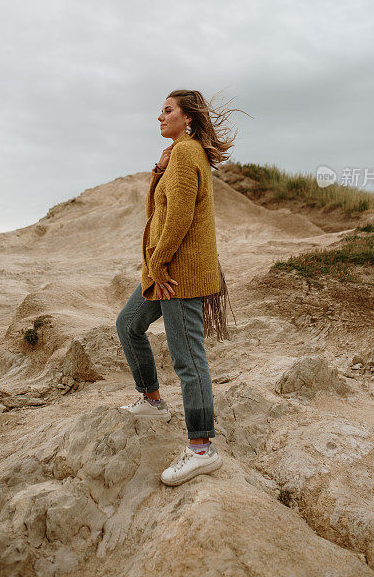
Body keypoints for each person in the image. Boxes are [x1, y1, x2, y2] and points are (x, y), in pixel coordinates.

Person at [115, 88, 247, 486]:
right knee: (129, 325)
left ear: (187, 117)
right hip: (163, 272)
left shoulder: (189, 152)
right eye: (160, 110)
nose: (160, 116)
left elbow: (180, 218)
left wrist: (157, 263)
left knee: (189, 360)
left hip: (178, 275)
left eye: (167, 110)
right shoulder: (177, 156)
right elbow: (158, 209)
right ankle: (152, 400)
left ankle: (202, 448)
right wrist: (158, 169)